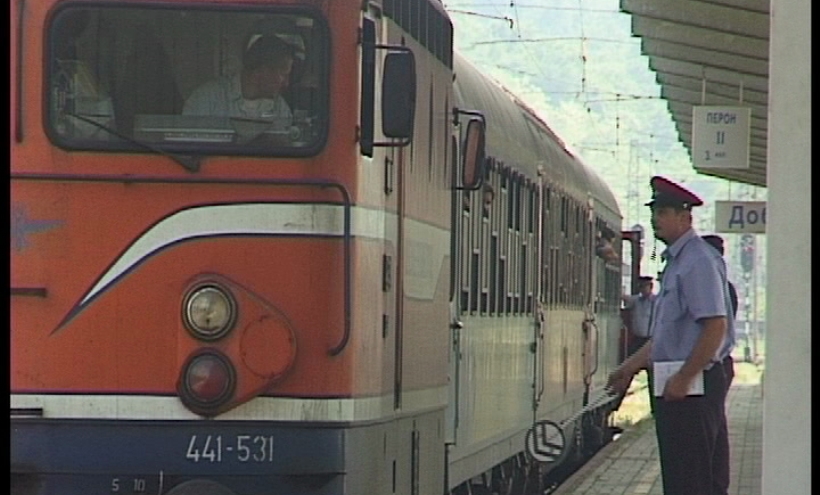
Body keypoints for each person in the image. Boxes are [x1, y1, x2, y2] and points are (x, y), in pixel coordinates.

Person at [607, 176, 736, 495]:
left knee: (693, 478)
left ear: (685, 216)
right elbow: (665, 338)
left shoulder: (697, 262)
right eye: (654, 212)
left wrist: (684, 375)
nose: (655, 220)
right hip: (679, 386)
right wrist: (628, 368)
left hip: (693, 387)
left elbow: (715, 326)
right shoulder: (678, 263)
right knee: (682, 475)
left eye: (663, 212)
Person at [182, 34, 294, 140]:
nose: (286, 83)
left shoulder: (280, 108)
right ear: (260, 72)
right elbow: (187, 146)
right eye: (284, 75)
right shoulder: (207, 99)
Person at [621, 275, 657, 414]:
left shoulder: (657, 302)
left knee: (653, 377)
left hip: (650, 340)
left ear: (650, 287)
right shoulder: (636, 301)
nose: (642, 290)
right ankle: (617, 401)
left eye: (644, 287)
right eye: (640, 287)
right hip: (637, 340)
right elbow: (624, 298)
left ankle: (655, 409)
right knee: (628, 370)